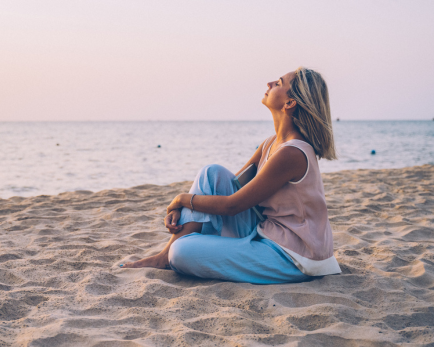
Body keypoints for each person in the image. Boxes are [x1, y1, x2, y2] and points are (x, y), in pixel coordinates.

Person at [120, 67, 342, 284]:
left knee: (181, 252)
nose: (270, 83)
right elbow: (227, 188)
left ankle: (172, 253)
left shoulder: (292, 153)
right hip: (267, 231)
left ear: (290, 103)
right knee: (211, 174)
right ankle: (164, 255)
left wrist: (180, 200)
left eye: (279, 83)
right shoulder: (270, 144)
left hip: (295, 255)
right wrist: (188, 208)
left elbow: (231, 206)